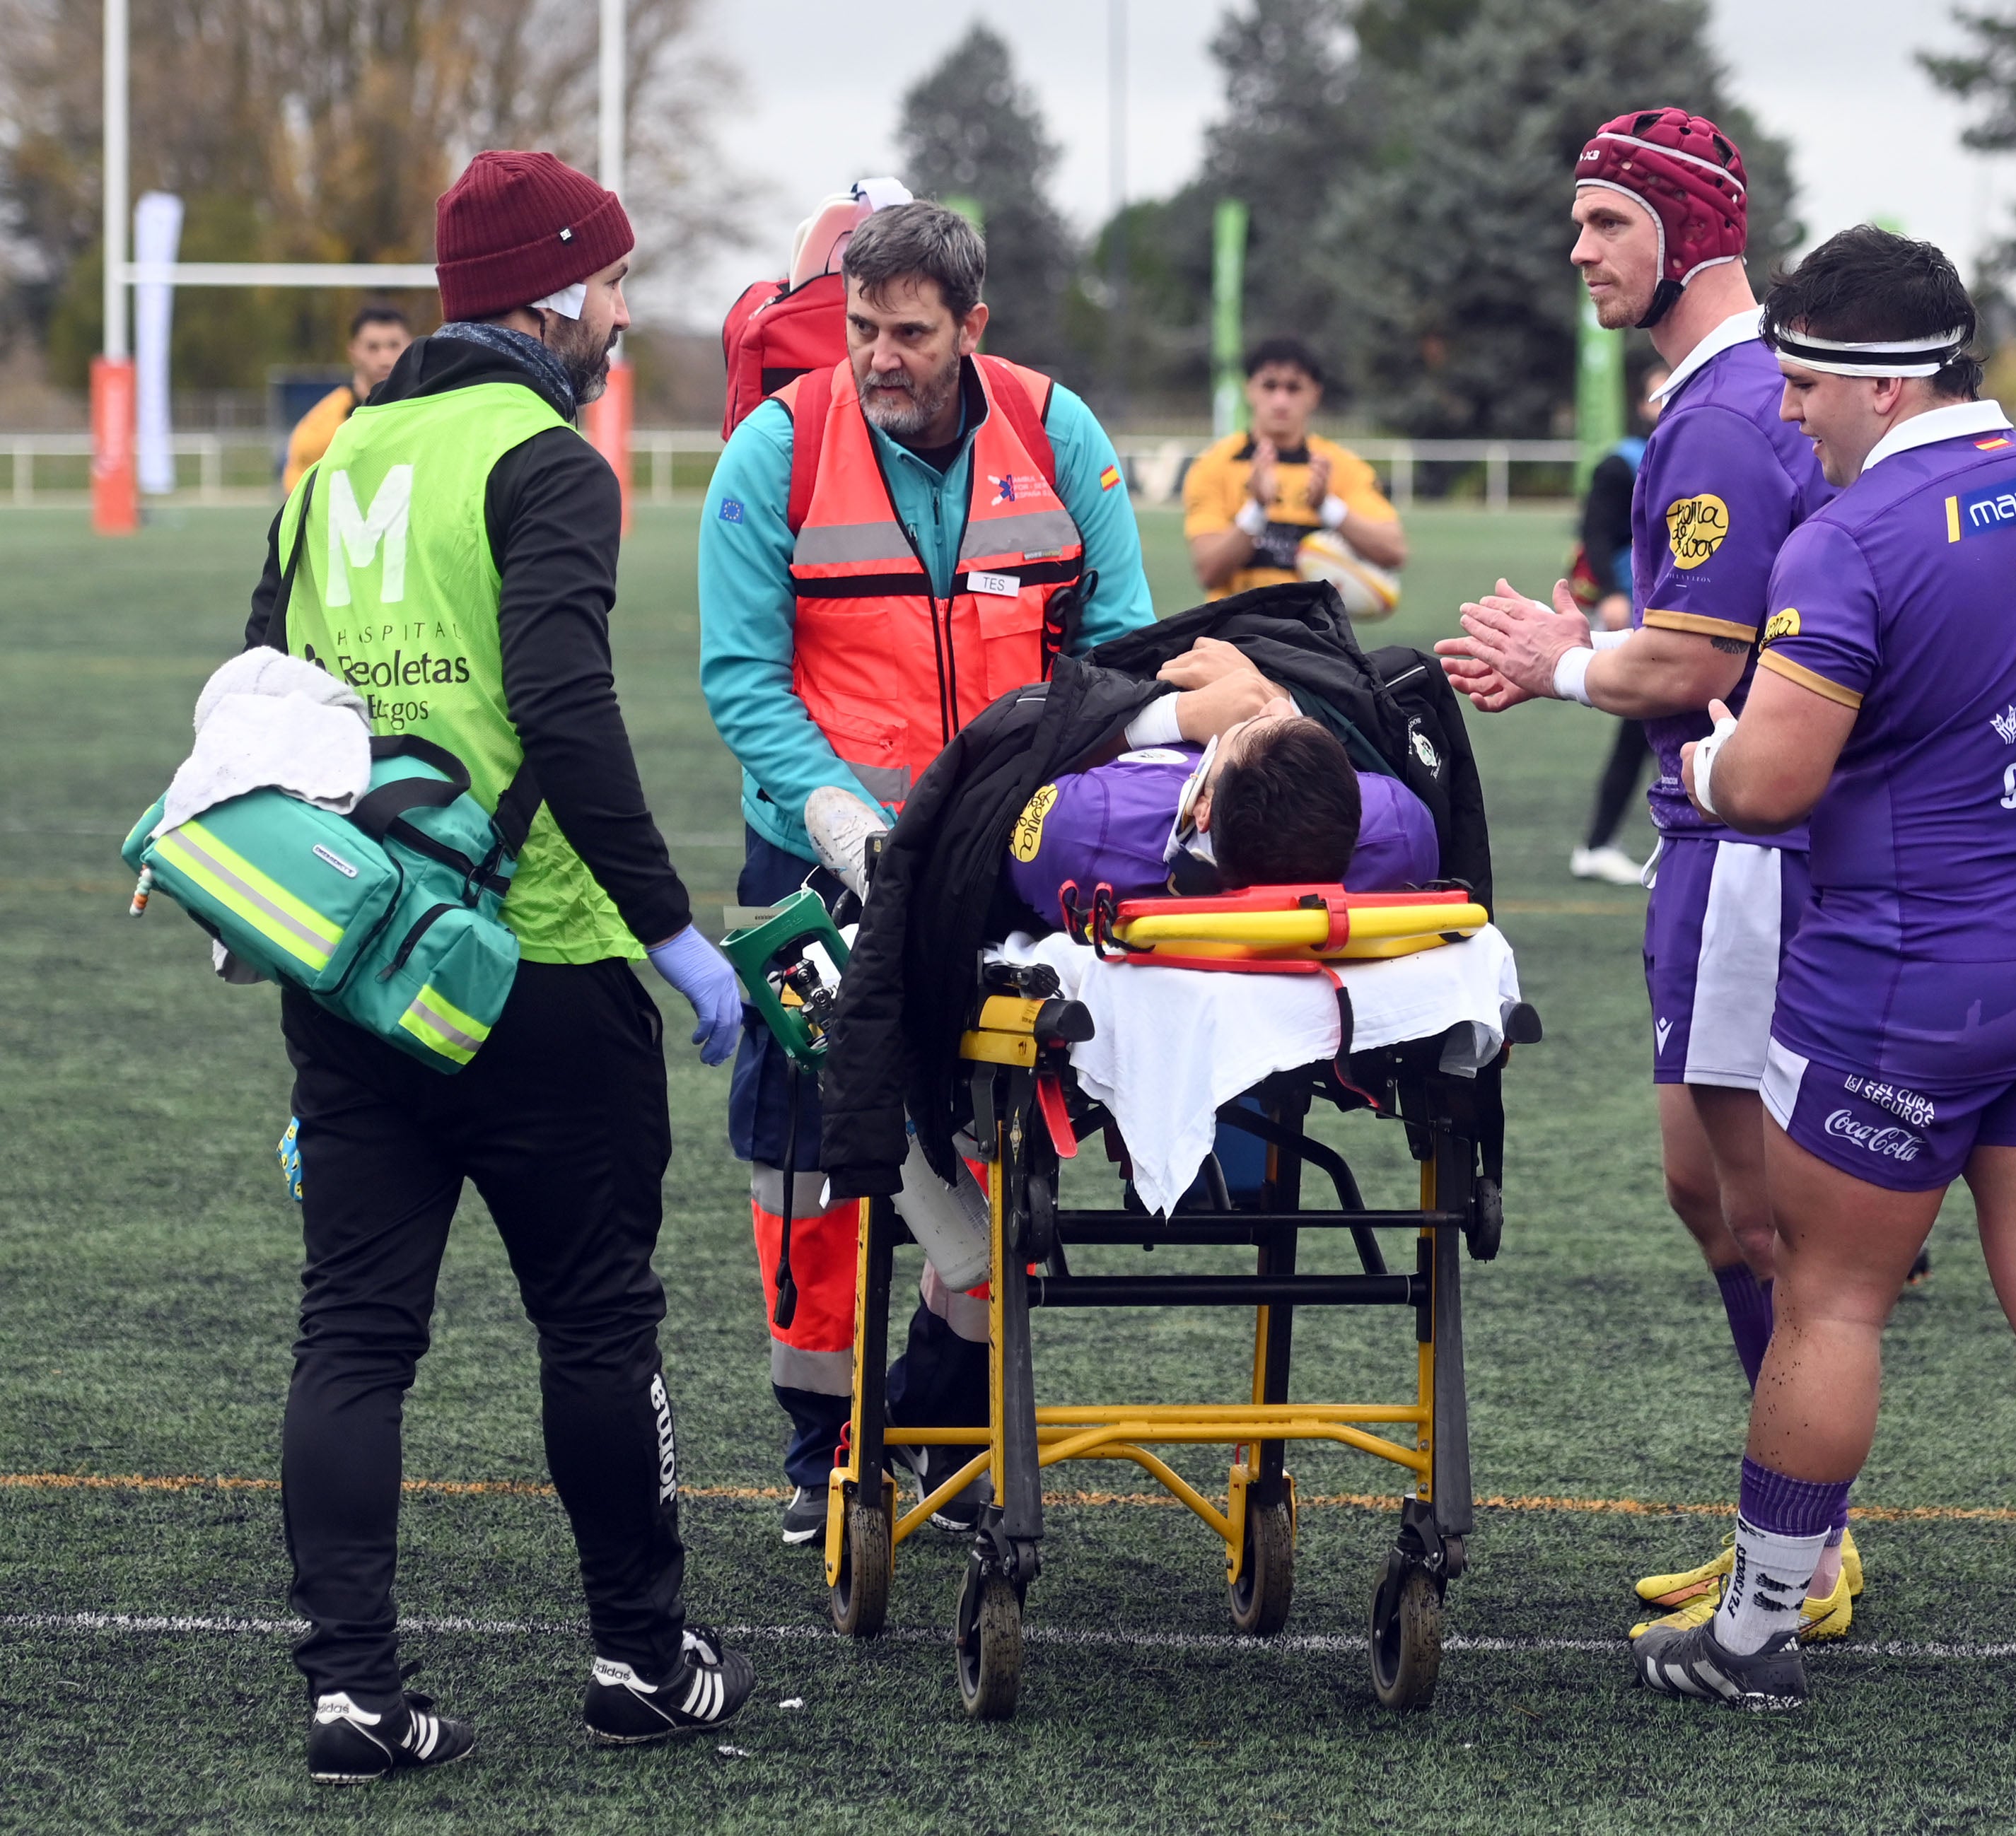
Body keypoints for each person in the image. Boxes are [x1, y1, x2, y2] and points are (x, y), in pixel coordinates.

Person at [245, 149, 757, 1783]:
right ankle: (637, 1659)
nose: (621, 312)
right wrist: (676, 932)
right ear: (553, 297)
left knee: (353, 1333)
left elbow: (261, 691)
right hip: (534, 961)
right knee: (597, 1328)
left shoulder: (331, 459)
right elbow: (563, 706)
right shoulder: (546, 454)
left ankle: (349, 1693)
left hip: (353, 959)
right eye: (611, 283)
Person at [1631, 228, 2016, 1732]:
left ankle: (1752, 1628)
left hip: (1910, 969)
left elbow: (1774, 784)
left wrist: (1710, 754)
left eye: (1803, 381)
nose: (1788, 409)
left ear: (1878, 385)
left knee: (1828, 1299)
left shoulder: (1850, 539)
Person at [1436, 110, 1855, 1636]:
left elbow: (1701, 659)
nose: (1578, 249)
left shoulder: (1727, 409)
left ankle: (1802, 1550)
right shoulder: (1726, 397)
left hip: (1749, 848)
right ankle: (1795, 1535)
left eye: (1606, 220)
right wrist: (1577, 641)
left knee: (1754, 1209)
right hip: (1719, 842)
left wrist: (1567, 663)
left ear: (1682, 233)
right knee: (1711, 1190)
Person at [699, 200, 1155, 1548]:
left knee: (994, 1153)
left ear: (971, 326)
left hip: (1004, 860)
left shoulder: (1059, 432)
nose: (879, 358)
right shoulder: (770, 457)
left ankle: (936, 1425)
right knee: (801, 1161)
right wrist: (837, 814)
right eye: (860, 331)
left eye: (908, 333)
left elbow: (1121, 646)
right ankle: (817, 1449)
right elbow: (740, 673)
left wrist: (1065, 807)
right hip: (810, 855)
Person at [1002, 636, 1441, 921]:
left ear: (1203, 808)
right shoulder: (1400, 833)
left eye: (1251, 726)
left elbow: (1014, 769)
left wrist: (1175, 716)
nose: (1268, 707)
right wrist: (1279, 694)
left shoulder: (1085, 830)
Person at [1182, 337, 1407, 600]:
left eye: (1294, 388)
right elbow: (1209, 572)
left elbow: (1394, 552)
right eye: (1269, 386)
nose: (1280, 400)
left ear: (1315, 394)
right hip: (1235, 631)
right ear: (1249, 390)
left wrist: (1327, 508)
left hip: (1314, 635)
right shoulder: (1212, 466)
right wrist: (1256, 509)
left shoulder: (1340, 467)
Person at [1568, 369, 1667, 886]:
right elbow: (1595, 533)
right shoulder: (1624, 461)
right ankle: (1601, 842)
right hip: (1636, 609)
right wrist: (1608, 593)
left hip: (1664, 610)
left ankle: (1605, 842)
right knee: (1648, 724)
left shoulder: (1693, 448)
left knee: (1651, 727)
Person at [282, 305, 412, 492]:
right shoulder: (321, 427)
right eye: (372, 347)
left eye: (394, 345)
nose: (385, 358)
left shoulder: (431, 410)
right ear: (353, 352)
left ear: (411, 347)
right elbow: (296, 497)